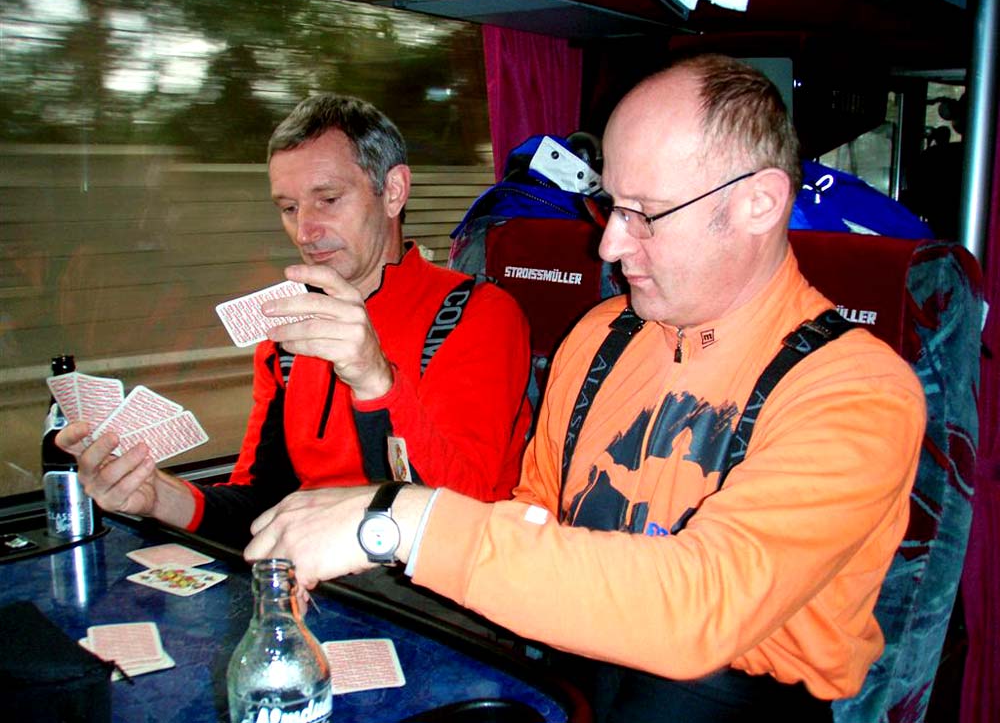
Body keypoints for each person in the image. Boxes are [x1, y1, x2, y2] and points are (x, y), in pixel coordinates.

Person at [244, 55, 925, 721]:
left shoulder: (858, 390)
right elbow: (533, 518)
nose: (607, 247)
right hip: (566, 669)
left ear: (758, 204)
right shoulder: (600, 338)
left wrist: (397, 520)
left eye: (645, 214)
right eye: (610, 206)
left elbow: (703, 607)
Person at [56, 94, 533, 549]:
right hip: (318, 584)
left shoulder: (476, 316)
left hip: (428, 600)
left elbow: (462, 517)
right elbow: (261, 502)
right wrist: (159, 496)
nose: (305, 231)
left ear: (393, 191)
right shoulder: (287, 338)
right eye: (288, 208)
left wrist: (375, 378)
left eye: (327, 200)